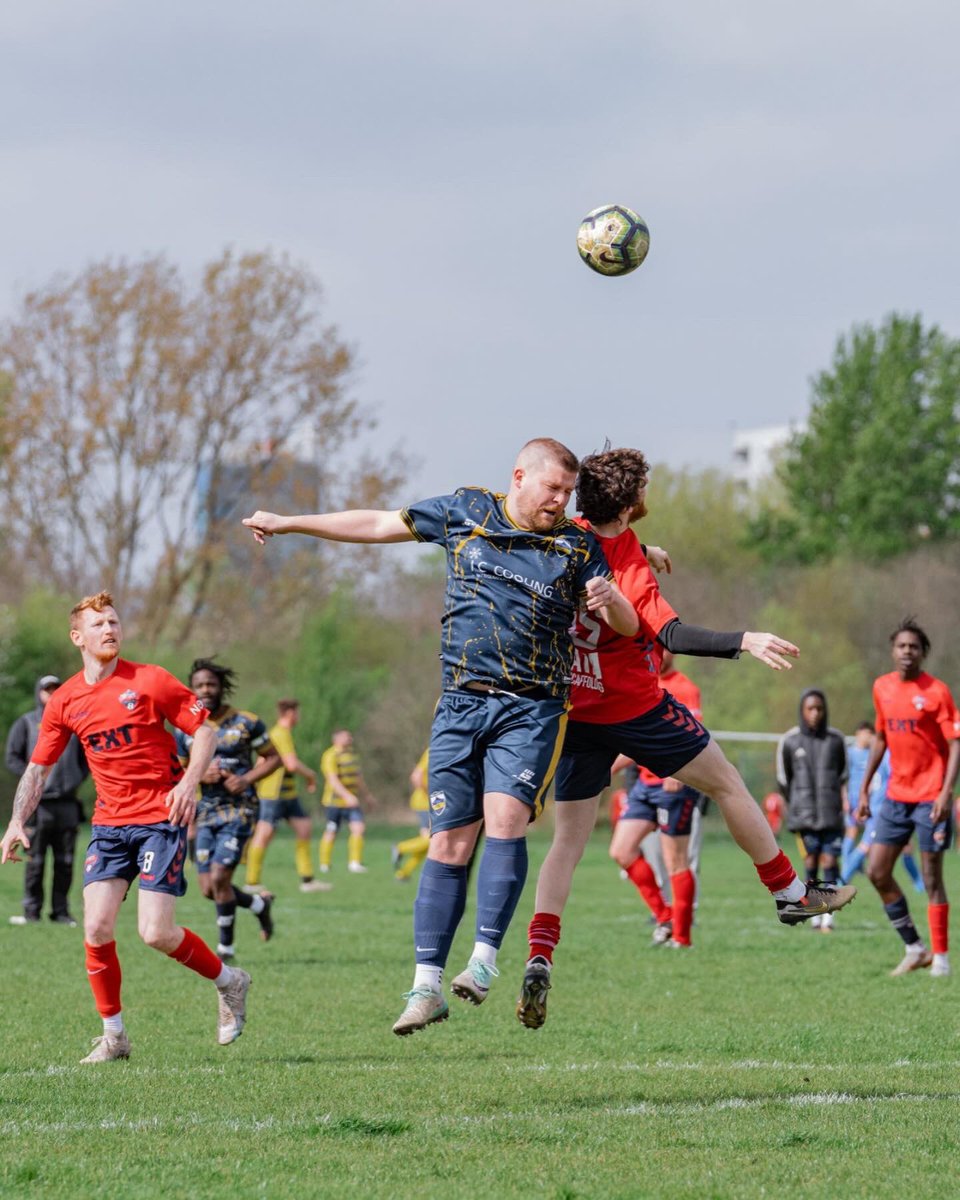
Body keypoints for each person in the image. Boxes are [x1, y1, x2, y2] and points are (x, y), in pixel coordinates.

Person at [242, 436, 639, 1035]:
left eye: (567, 491)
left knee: (505, 821)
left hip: (531, 710)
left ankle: (482, 964)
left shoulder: (577, 547)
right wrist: (289, 522)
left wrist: (612, 601)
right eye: (552, 488)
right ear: (519, 477)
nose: (561, 500)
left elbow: (631, 626)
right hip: (457, 705)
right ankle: (426, 986)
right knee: (447, 845)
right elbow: (377, 523)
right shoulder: (467, 511)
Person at [516, 447, 856, 1029]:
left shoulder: (561, 537)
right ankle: (790, 893)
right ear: (627, 508)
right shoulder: (627, 567)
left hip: (576, 715)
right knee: (727, 784)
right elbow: (671, 631)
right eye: (643, 489)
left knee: (567, 844)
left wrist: (643, 549)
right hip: (636, 710)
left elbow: (587, 547)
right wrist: (744, 639)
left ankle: (539, 956)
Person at [0, 592, 251, 1062]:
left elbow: (206, 732)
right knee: (95, 927)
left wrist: (189, 784)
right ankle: (114, 1036)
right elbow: (38, 769)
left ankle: (230, 981)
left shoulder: (150, 680)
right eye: (99, 625)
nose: (110, 630)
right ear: (78, 637)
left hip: (161, 817)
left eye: (114, 622)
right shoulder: (66, 700)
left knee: (155, 933)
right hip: (110, 826)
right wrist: (16, 821)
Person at [858, 618, 960, 978]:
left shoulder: (937, 692)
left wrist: (947, 794)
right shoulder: (882, 688)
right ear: (892, 650)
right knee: (876, 870)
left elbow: (955, 743)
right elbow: (881, 738)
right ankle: (915, 948)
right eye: (901, 646)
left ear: (923, 653)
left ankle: (942, 959)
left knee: (932, 877)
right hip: (895, 797)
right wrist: (865, 788)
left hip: (931, 797)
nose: (907, 652)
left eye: (913, 647)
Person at [175, 659, 280, 960]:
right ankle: (259, 906)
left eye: (210, 684)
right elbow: (177, 770)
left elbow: (274, 758)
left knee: (221, 876)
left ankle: (225, 949)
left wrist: (246, 778)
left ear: (221, 687)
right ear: (192, 690)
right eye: (199, 685)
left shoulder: (246, 722)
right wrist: (198, 775)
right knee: (209, 888)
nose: (205, 690)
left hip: (240, 809)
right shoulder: (185, 727)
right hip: (205, 811)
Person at [608, 650, 705, 948]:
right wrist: (608, 769)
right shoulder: (641, 684)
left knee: (675, 860)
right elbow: (635, 741)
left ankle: (682, 938)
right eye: (654, 646)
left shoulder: (685, 688)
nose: (660, 654)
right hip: (644, 785)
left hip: (672, 784)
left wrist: (679, 769)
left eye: (665, 647)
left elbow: (693, 734)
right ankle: (665, 916)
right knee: (621, 851)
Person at [5, 674, 89, 926]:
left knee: (65, 862)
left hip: (67, 804)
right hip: (38, 806)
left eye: (56, 689)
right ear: (39, 693)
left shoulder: (75, 724)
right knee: (35, 861)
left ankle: (61, 912)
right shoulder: (27, 723)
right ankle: (31, 912)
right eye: (47, 690)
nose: (51, 694)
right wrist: (34, 780)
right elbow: (12, 757)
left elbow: (86, 760)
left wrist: (73, 779)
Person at [776, 689, 848, 932]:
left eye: (819, 708)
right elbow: (784, 780)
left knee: (830, 861)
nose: (815, 713)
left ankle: (829, 916)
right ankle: (815, 912)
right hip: (803, 817)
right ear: (802, 710)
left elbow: (842, 775)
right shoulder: (790, 740)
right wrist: (798, 804)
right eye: (810, 708)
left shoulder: (836, 740)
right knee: (811, 862)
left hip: (830, 815)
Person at [245, 699, 330, 894]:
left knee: (304, 828)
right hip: (273, 793)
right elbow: (291, 764)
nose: (299, 717)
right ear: (291, 713)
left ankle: (307, 880)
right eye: (298, 713)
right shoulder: (279, 733)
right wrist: (311, 775)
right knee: (264, 833)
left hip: (288, 793)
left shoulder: (282, 734)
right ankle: (252, 882)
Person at [841, 723, 924, 893]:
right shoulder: (885, 755)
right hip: (881, 810)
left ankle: (919, 884)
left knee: (907, 846)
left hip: (889, 808)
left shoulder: (881, 755)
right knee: (865, 845)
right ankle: (841, 880)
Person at [318, 729, 371, 874]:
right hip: (334, 802)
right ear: (337, 738)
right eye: (347, 736)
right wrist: (347, 796)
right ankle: (325, 864)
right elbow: (333, 779)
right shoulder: (330, 755)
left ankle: (355, 863)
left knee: (359, 828)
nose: (350, 738)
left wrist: (367, 795)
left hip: (352, 802)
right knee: (332, 831)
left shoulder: (352, 755)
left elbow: (358, 778)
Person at [392, 748, 431, 882]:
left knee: (430, 842)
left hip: (432, 803)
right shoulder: (434, 750)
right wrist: (430, 793)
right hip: (425, 803)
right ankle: (401, 847)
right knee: (431, 840)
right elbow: (416, 777)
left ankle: (403, 873)